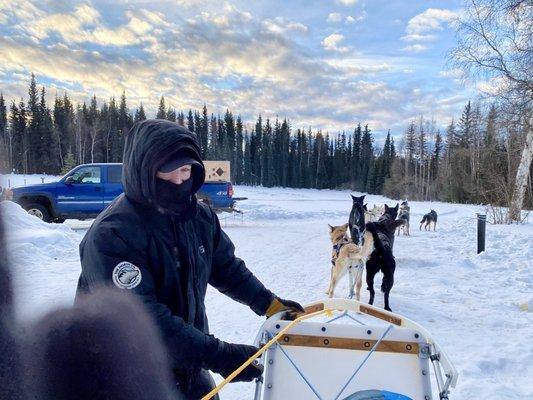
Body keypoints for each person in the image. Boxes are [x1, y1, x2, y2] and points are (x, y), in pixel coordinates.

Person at [76, 119, 304, 399]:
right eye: (167, 171)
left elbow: (226, 269)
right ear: (143, 170)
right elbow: (142, 319)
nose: (179, 180)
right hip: (125, 373)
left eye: (185, 170)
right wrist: (219, 355)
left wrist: (269, 304)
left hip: (186, 366)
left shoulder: (199, 217)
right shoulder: (113, 234)